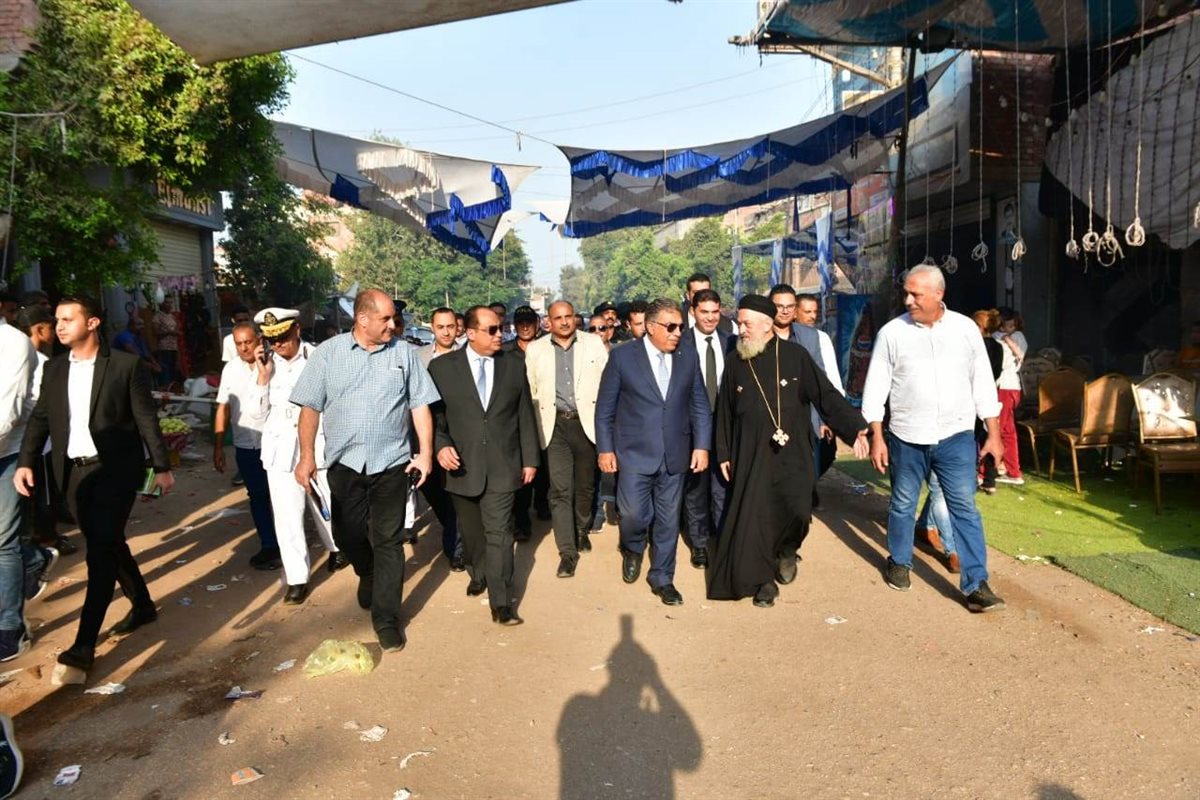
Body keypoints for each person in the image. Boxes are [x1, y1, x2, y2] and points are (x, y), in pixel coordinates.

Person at [15, 295, 174, 678]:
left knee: (100, 551)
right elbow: (40, 419)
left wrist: (161, 466)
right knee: (109, 540)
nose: (59, 326)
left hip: (115, 471)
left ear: (92, 323)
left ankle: (84, 644)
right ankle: (143, 605)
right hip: (73, 474)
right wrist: (25, 462)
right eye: (57, 319)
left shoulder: (125, 365)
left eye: (68, 319)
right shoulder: (54, 368)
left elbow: (145, 418)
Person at [291, 290, 439, 653]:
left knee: (389, 540)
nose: (392, 325)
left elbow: (420, 406)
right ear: (363, 319)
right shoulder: (329, 354)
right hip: (344, 464)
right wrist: (306, 457)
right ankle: (367, 571)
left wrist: (425, 454)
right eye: (385, 319)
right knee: (347, 535)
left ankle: (386, 618)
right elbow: (309, 408)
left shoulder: (404, 354)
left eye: (393, 319)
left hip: (392, 463)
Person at [707, 295, 868, 607]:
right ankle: (764, 581)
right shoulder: (736, 362)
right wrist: (724, 452)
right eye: (740, 323)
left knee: (798, 510)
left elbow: (826, 395)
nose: (741, 329)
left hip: (793, 453)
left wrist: (855, 427)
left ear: (767, 325)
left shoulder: (795, 356)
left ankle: (788, 549)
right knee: (759, 516)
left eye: (746, 324)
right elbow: (724, 412)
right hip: (750, 454)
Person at [862, 264, 1006, 612]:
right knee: (902, 503)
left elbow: (982, 382)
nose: (908, 300)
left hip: (956, 436)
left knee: (964, 508)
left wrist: (994, 434)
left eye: (916, 294)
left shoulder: (965, 329)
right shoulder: (892, 333)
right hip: (906, 437)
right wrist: (877, 436)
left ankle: (976, 584)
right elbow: (876, 386)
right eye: (906, 294)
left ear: (939, 294)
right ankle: (899, 561)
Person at [428, 305, 539, 625]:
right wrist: (440, 446)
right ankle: (479, 573)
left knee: (500, 533)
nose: (500, 334)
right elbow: (434, 417)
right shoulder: (442, 368)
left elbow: (524, 414)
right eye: (492, 330)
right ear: (470, 333)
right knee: (473, 534)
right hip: (462, 466)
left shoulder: (513, 364)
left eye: (501, 328)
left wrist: (530, 459)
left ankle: (502, 602)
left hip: (504, 464)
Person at [596, 298, 710, 606]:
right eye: (671, 327)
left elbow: (699, 404)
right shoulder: (622, 357)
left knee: (668, 519)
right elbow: (605, 409)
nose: (677, 333)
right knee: (633, 515)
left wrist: (701, 446)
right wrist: (605, 449)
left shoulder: (688, 356)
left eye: (680, 327)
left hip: (676, 453)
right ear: (650, 327)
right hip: (633, 453)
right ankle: (633, 547)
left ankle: (662, 578)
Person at [245, 308, 345, 606]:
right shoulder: (264, 365)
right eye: (272, 339)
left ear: (297, 330)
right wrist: (262, 377)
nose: (278, 344)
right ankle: (297, 578)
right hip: (280, 451)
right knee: (287, 516)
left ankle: (336, 547)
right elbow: (255, 415)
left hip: (317, 444)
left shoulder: (319, 358)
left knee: (326, 505)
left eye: (283, 337)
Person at [525, 301, 609, 578]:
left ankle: (581, 529)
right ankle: (567, 552)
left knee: (585, 486)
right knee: (560, 491)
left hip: (586, 424)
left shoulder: (593, 344)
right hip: (555, 426)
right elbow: (531, 391)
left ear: (575, 318)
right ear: (548, 321)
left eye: (568, 316)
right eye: (557, 318)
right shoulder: (536, 350)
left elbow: (607, 383)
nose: (563, 322)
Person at [0, 308, 53, 662]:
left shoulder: (12, 343)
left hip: (8, 452)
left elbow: (9, 411)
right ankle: (34, 559)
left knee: (3, 542)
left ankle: (10, 628)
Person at [214, 321, 279, 570]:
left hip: (275, 443)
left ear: (259, 340)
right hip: (245, 446)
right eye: (238, 343)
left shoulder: (275, 365)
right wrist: (219, 446)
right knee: (258, 497)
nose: (243, 348)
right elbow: (223, 407)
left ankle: (291, 543)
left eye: (248, 342)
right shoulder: (230, 370)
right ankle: (269, 545)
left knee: (283, 497)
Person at [16, 306, 76, 557]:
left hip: (24, 439)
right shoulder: (41, 363)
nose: (57, 330)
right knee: (44, 493)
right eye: (52, 326)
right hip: (40, 441)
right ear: (39, 329)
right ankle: (47, 539)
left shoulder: (16, 357)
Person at [678, 288, 729, 570]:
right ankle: (698, 544)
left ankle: (722, 542)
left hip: (724, 427)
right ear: (693, 312)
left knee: (723, 487)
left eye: (714, 312)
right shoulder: (681, 342)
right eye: (704, 312)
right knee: (696, 489)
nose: (710, 318)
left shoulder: (731, 342)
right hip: (691, 428)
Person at [416, 307, 465, 571]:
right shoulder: (418, 358)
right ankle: (453, 529)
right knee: (433, 491)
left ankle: (456, 549)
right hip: (425, 436)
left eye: (450, 326)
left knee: (456, 494)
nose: (446, 332)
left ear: (458, 327)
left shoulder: (469, 355)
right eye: (440, 327)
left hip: (458, 436)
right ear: (432, 328)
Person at [505, 306, 550, 538]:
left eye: (529, 322)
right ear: (514, 325)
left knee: (544, 465)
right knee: (522, 468)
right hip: (516, 416)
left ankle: (542, 504)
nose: (525, 327)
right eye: (520, 322)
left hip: (544, 413)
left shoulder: (547, 348)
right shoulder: (504, 351)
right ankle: (521, 520)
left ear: (537, 323)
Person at [994, 307, 1027, 485]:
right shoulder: (1000, 336)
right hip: (1009, 387)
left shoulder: (1016, 337)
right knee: (1007, 430)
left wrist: (1006, 338)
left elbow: (1019, 355)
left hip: (1006, 387)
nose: (1008, 328)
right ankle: (1011, 470)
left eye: (1011, 325)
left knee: (999, 429)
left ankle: (990, 471)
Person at [152, 297, 180, 387]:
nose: (170, 305)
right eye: (167, 302)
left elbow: (176, 329)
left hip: (174, 346)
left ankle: (172, 387)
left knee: (173, 369)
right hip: (164, 347)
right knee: (165, 369)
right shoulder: (157, 316)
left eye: (171, 302)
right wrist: (169, 332)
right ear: (162, 304)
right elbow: (156, 332)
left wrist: (176, 332)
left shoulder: (172, 316)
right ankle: (166, 388)